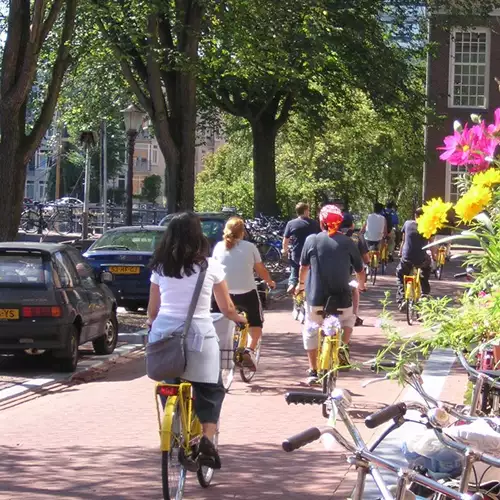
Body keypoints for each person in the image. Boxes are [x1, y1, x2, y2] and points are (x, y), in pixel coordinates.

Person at [147, 212, 247, 470]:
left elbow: (152, 311)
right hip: (199, 336)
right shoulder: (209, 266)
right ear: (198, 235)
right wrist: (240, 319)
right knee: (211, 389)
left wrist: (153, 327)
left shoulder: (160, 267)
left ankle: (175, 426)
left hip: (164, 335)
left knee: (169, 382)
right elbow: (226, 308)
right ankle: (207, 439)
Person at [296, 205, 366, 385]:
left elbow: (303, 268)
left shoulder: (311, 240)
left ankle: (313, 370)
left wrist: (301, 285)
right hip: (342, 299)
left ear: (321, 222)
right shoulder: (348, 242)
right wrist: (362, 284)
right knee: (349, 320)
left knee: (311, 328)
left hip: (316, 299)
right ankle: (343, 347)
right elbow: (360, 270)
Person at [212, 216, 276, 371]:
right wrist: (270, 282)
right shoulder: (249, 247)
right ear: (242, 232)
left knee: (217, 322)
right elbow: (260, 269)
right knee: (256, 323)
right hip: (247, 293)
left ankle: (217, 351)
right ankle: (249, 350)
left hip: (223, 294)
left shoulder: (218, 247)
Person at [396, 208, 432, 310]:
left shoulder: (407, 224)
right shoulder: (428, 226)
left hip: (406, 258)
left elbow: (403, 240)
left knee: (400, 274)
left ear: (415, 216)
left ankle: (402, 299)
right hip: (421, 259)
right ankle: (424, 293)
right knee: (426, 269)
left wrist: (400, 251)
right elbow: (432, 244)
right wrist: (434, 255)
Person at [282, 202, 321, 293]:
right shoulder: (314, 223)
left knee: (294, 266)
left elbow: (286, 239)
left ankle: (292, 282)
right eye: (308, 210)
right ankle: (308, 286)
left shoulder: (291, 223)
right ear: (305, 211)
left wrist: (285, 249)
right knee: (310, 269)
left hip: (297, 253)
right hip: (311, 253)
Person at [339, 212, 370, 327]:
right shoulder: (357, 237)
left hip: (329, 273)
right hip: (349, 272)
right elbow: (366, 258)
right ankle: (354, 316)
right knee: (355, 290)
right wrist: (368, 263)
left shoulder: (332, 235)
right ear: (352, 224)